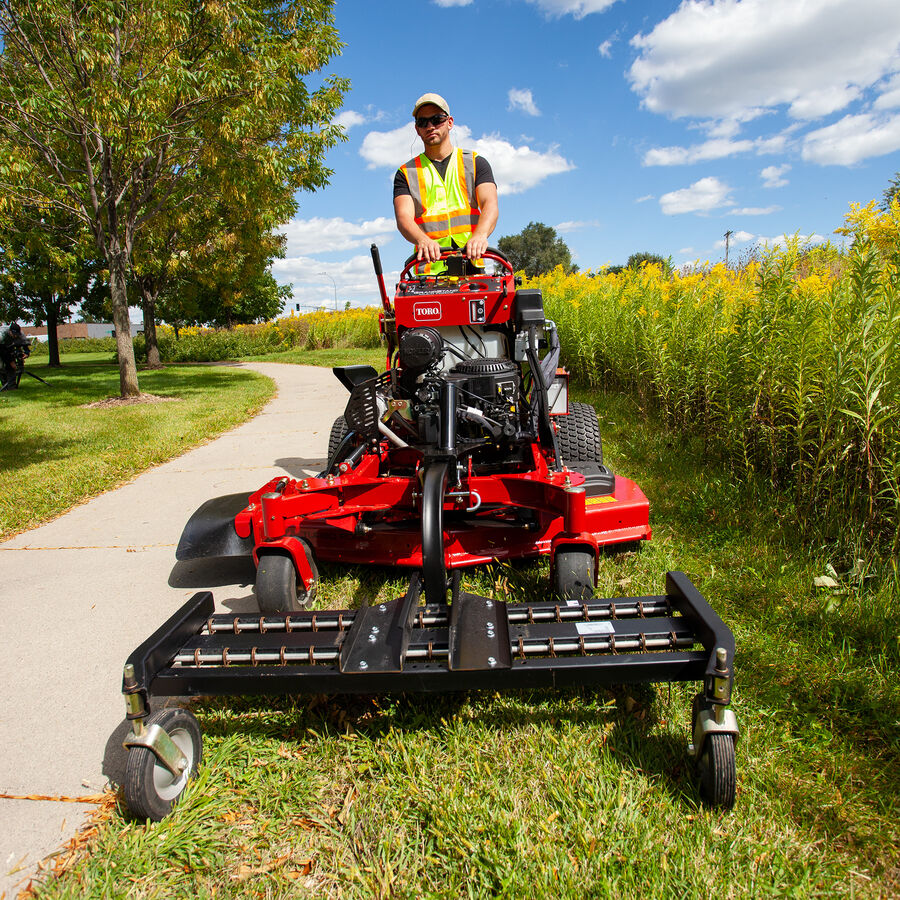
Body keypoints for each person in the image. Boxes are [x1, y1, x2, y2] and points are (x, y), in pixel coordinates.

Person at [393, 93, 499, 267]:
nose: (430, 126)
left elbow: (490, 205)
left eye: (437, 119)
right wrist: (422, 240)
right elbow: (404, 217)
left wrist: (480, 235)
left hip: (471, 265)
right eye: (423, 122)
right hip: (428, 271)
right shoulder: (406, 173)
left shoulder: (475, 162)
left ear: (449, 122)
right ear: (417, 129)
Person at [0, 322, 29, 390]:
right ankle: (5, 386)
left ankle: (12, 387)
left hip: (8, 346)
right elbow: (2, 352)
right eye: (14, 334)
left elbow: (24, 343)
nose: (15, 336)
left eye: (17, 335)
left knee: (11, 368)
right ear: (10, 331)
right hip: (0, 348)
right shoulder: (1, 335)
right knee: (1, 366)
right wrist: (11, 362)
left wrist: (26, 353)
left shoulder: (21, 333)